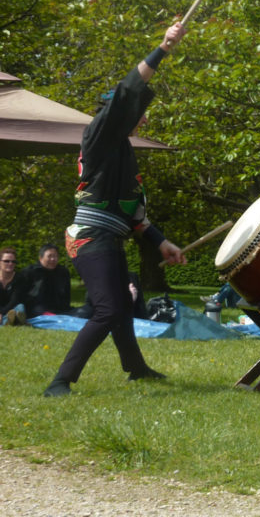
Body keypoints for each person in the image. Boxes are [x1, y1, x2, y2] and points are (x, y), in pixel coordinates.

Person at [43, 21, 188, 397]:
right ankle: (61, 381)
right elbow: (126, 92)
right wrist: (164, 48)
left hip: (109, 236)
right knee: (108, 309)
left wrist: (161, 242)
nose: (144, 115)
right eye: (138, 110)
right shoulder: (99, 135)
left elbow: (133, 217)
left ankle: (136, 368)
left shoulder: (122, 152)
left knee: (122, 303)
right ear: (116, 113)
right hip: (92, 238)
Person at [20, 244, 73, 318]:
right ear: (40, 258)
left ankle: (59, 317)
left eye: (55, 256)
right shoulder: (30, 272)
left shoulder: (63, 272)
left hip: (59, 309)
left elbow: (67, 296)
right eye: (49, 256)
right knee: (43, 313)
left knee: (85, 312)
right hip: (36, 308)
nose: (53, 259)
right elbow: (21, 296)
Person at [1, 247, 29, 326]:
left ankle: (8, 321)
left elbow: (15, 300)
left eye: (13, 261)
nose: (10, 264)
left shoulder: (20, 278)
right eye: (6, 261)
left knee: (20, 307)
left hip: (13, 308)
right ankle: (16, 321)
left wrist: (2, 314)